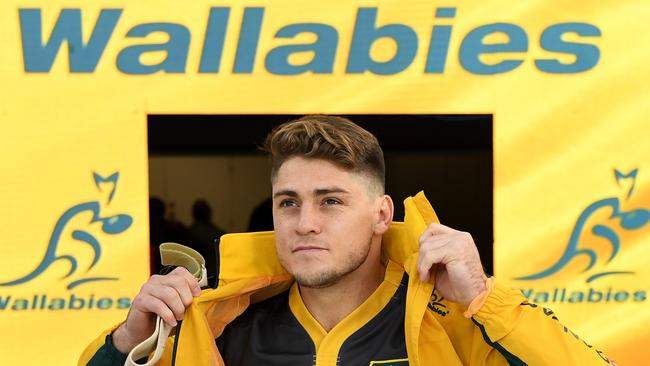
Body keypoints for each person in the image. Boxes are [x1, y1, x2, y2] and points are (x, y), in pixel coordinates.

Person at [80, 115, 613, 365]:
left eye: (331, 201)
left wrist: (484, 301)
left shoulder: (452, 323)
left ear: (383, 214)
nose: (305, 222)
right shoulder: (219, 327)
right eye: (288, 202)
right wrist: (128, 342)